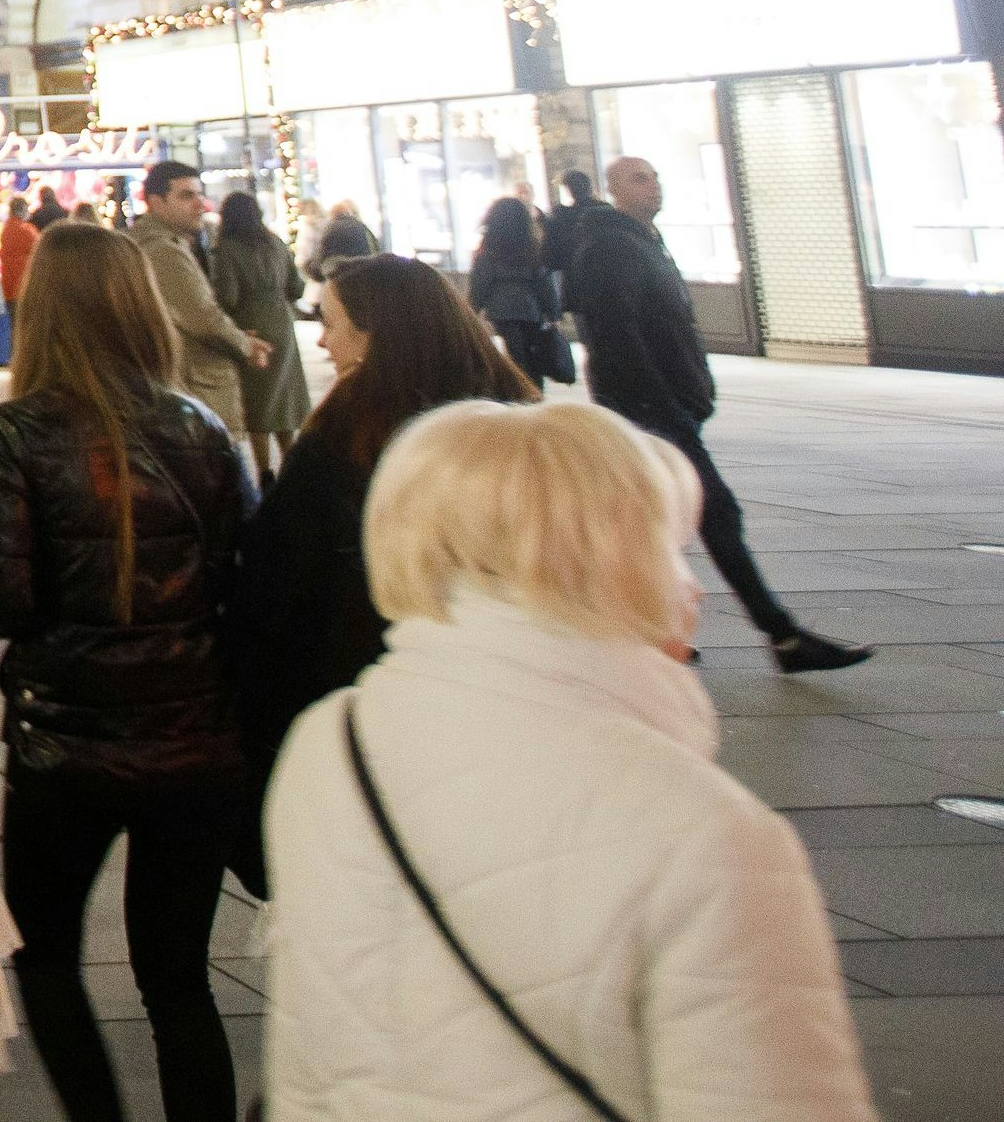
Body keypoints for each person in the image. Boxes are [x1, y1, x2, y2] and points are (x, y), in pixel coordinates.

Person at [259, 402, 878, 1120]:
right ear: (618, 559)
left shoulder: (330, 743)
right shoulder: (710, 837)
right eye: (672, 547)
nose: (695, 586)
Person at [0, 220, 259, 1122]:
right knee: (178, 982)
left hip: (67, 745)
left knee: (47, 956)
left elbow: (2, 604)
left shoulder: (16, 431)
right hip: (194, 739)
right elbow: (243, 580)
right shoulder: (201, 427)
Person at [567, 156, 867, 672]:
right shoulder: (610, 246)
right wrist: (661, 406)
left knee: (650, 520)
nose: (652, 185)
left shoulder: (640, 241)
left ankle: (644, 631)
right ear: (611, 189)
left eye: (656, 176)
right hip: (648, 410)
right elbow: (615, 338)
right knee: (715, 513)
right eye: (639, 179)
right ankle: (780, 634)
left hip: (663, 407)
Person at [230, 255, 533, 766]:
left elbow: (281, 577)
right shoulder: (515, 415)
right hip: (506, 684)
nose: (323, 341)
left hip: (370, 689)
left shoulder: (347, 435)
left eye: (329, 324)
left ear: (374, 334)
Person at [125, 161, 268, 430]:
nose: (200, 205)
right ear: (156, 203)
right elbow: (202, 317)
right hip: (196, 385)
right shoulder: (163, 250)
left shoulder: (156, 243)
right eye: (186, 196)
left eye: (200, 195)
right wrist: (246, 346)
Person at [209, 190, 312, 476]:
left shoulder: (227, 248)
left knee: (258, 403)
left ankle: (265, 472)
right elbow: (297, 288)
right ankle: (291, 467)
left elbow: (227, 296)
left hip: (250, 326)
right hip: (282, 323)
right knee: (284, 399)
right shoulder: (276, 242)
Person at [466, 195, 561, 385]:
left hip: (501, 311)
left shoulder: (489, 251)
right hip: (531, 310)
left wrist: (471, 310)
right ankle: (533, 387)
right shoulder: (532, 248)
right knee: (531, 352)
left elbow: (480, 284)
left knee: (515, 352)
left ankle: (520, 386)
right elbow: (545, 282)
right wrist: (553, 312)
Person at [0, 192, 45, 308]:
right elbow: (42, 252)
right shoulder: (28, 231)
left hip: (8, 286)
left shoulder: (5, 230)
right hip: (26, 285)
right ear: (24, 210)